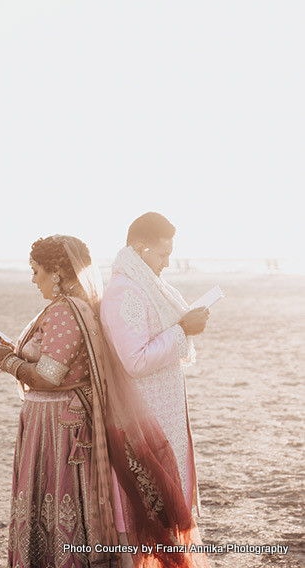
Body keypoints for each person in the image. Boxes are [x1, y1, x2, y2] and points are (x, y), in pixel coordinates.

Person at [0, 234, 210, 568]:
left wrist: (7, 361)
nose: (33, 279)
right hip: (56, 420)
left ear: (57, 273)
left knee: (61, 499)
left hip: (60, 425)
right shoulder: (72, 308)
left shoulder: (65, 312)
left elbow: (49, 376)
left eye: (37, 271)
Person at [100, 212, 209, 516]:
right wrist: (183, 330)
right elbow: (135, 360)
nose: (167, 263)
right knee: (153, 499)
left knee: (167, 493)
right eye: (163, 254)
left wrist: (185, 326)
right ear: (138, 248)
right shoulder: (125, 290)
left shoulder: (146, 285)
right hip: (143, 409)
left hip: (161, 404)